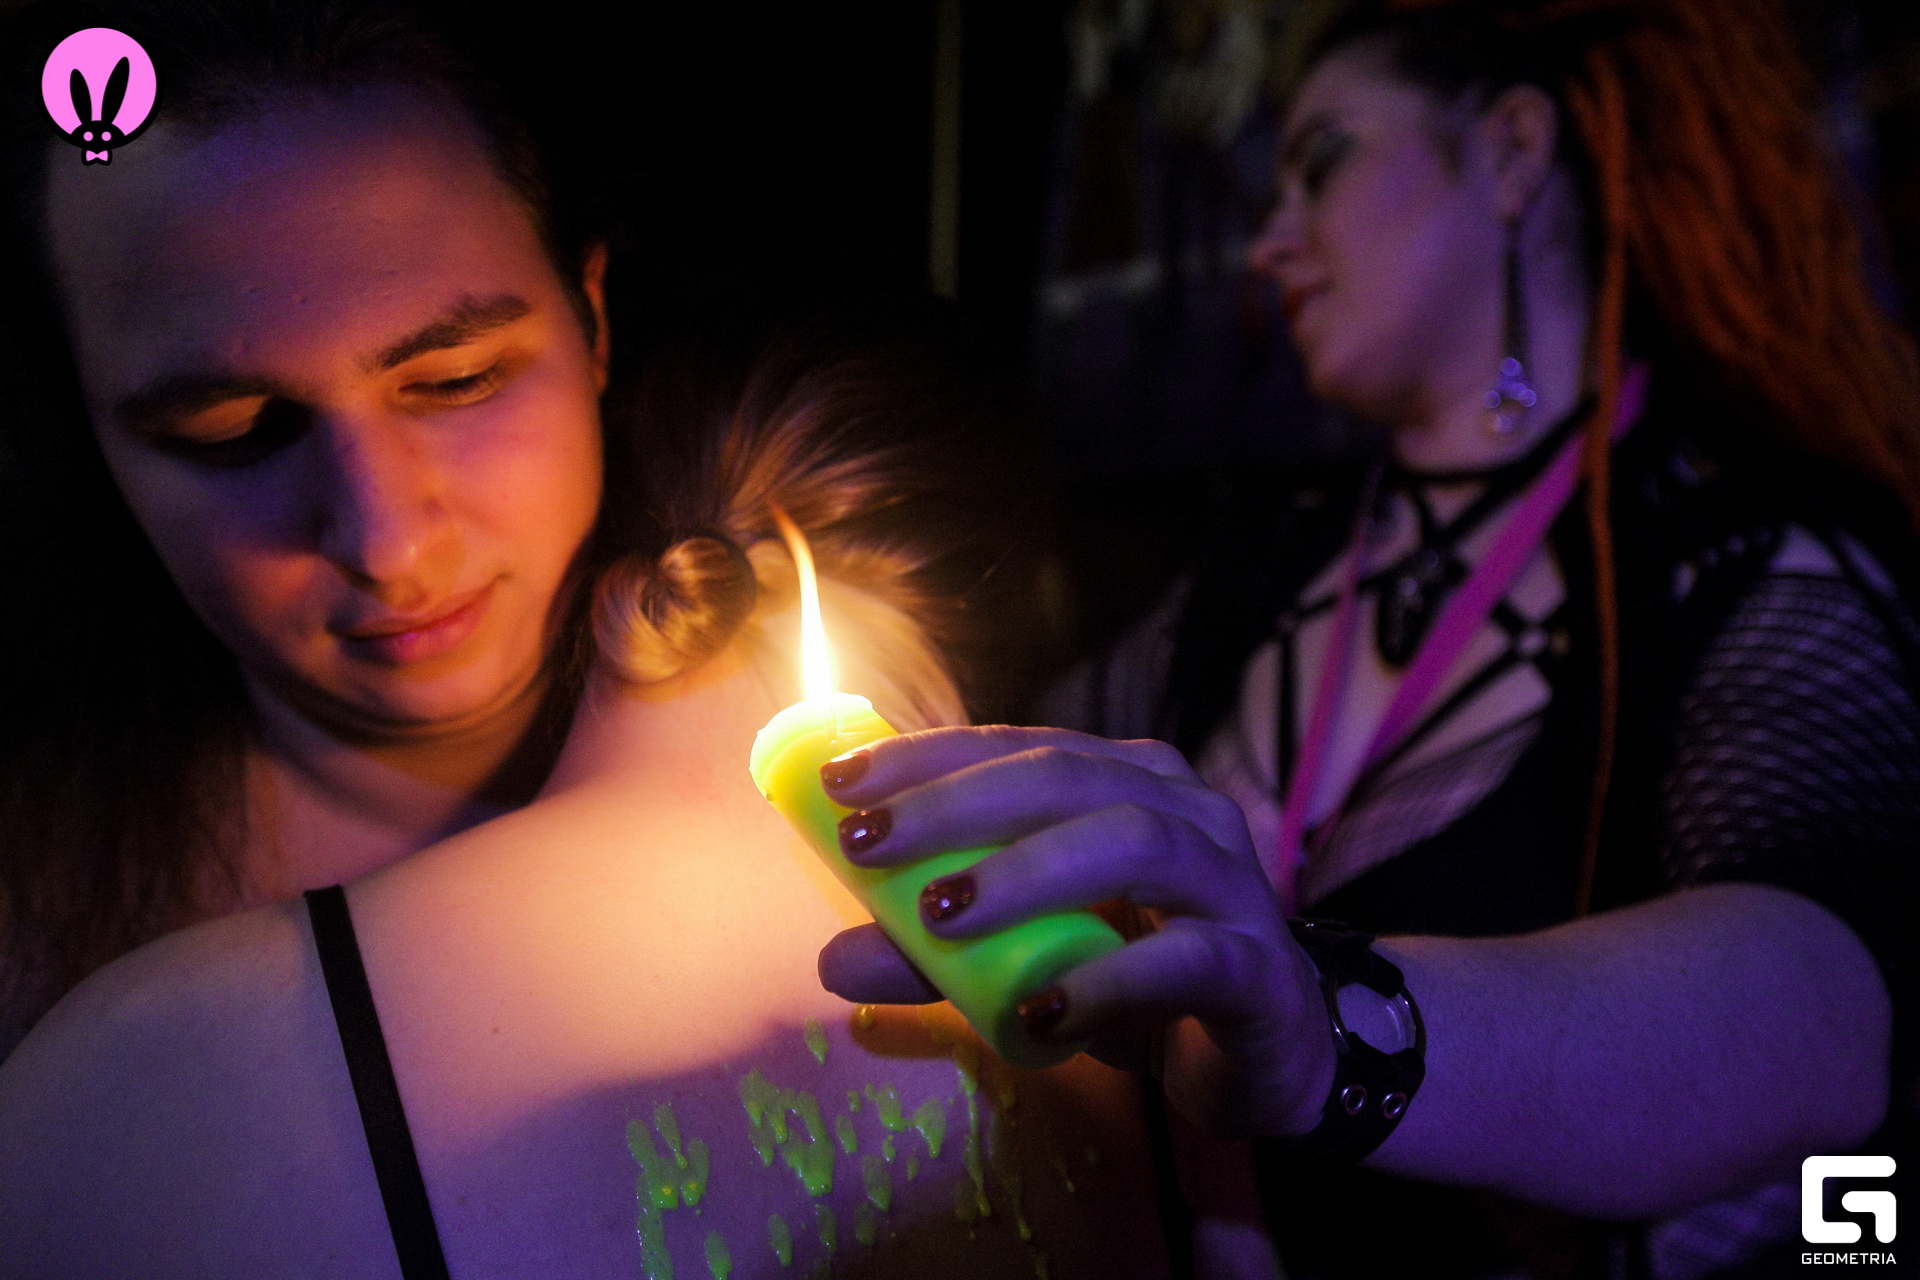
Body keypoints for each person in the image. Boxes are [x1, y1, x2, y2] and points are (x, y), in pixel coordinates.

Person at [0, 4, 1197, 1276]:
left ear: (592, 318)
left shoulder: (850, 697)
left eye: (456, 379)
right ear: (92, 439)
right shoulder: (49, 919)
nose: (387, 539)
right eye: (235, 431)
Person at [817, 1, 1920, 1276]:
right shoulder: (1261, 567)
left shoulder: (1745, 551)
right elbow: (994, 761)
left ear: (1512, 150)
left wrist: (1329, 1027)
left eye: (1322, 162)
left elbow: (1817, 1018)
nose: (1268, 240)